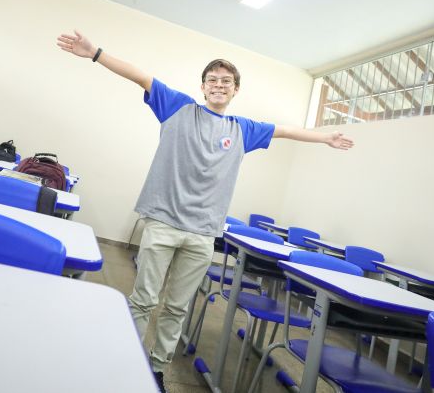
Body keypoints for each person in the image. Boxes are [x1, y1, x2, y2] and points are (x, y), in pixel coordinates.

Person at [57, 30, 353, 393]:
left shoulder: (243, 129)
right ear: (203, 87)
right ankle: (125, 363)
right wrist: (95, 53)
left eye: (226, 82)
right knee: (144, 300)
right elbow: (140, 75)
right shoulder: (178, 107)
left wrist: (324, 137)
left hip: (203, 234)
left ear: (235, 90)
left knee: (177, 308)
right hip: (163, 223)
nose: (219, 85)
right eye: (212, 80)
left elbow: (286, 130)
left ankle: (156, 370)